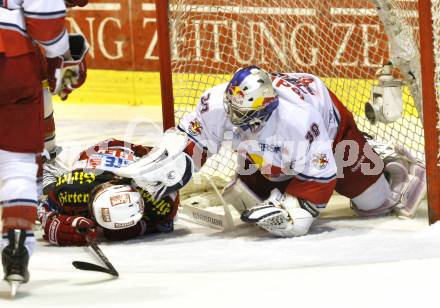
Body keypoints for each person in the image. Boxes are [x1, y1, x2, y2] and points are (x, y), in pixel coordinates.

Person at [172, 65, 426, 237]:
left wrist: (296, 210)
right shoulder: (218, 103)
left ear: (264, 111)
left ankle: (382, 155)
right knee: (245, 198)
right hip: (282, 145)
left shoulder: (299, 120)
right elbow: (192, 139)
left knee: (375, 204)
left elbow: (321, 176)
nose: (232, 117)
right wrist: (172, 164)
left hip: (332, 133)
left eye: (242, 114)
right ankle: (282, 166)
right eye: (232, 108)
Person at [0, 0, 87, 291]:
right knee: (19, 166)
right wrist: (65, 59)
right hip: (12, 63)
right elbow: (46, 23)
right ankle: (16, 245)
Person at [38, 139, 178, 246]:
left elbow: (166, 223)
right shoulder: (72, 188)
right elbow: (43, 211)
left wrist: (139, 227)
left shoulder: (160, 203)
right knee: (46, 189)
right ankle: (50, 172)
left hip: (137, 156)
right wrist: (65, 227)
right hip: (95, 155)